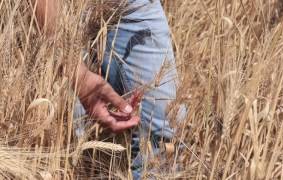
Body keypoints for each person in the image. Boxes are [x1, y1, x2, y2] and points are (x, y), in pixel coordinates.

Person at [36, 0, 183, 179]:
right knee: (72, 142)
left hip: (135, 5)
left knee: (162, 131)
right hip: (62, 9)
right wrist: (78, 74)